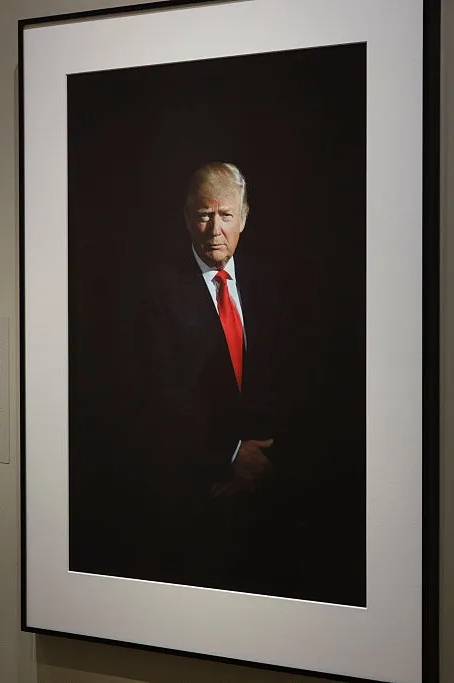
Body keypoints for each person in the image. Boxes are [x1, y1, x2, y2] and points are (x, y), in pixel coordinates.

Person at [69, 162, 289, 594]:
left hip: (265, 494)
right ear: (186, 217)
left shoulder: (269, 284)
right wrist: (227, 457)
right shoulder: (154, 290)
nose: (214, 229)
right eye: (204, 215)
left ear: (244, 218)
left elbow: (285, 379)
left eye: (225, 215)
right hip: (187, 498)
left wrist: (261, 459)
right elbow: (154, 398)